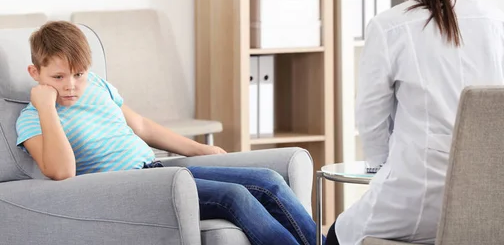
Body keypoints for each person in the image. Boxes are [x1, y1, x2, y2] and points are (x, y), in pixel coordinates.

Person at [16, 20, 321, 245]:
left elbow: (143, 127)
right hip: (125, 192)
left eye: (79, 74)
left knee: (269, 180)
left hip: (154, 173)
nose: (71, 85)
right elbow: (63, 171)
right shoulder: (32, 119)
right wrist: (46, 107)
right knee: (234, 196)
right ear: (36, 73)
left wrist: (201, 149)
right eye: (58, 77)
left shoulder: (95, 86)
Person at [325, 0, 504, 245]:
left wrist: (383, 170)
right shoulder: (492, 20)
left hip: (413, 207)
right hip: (487, 208)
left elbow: (372, 123)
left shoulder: (390, 27)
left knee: (336, 234)